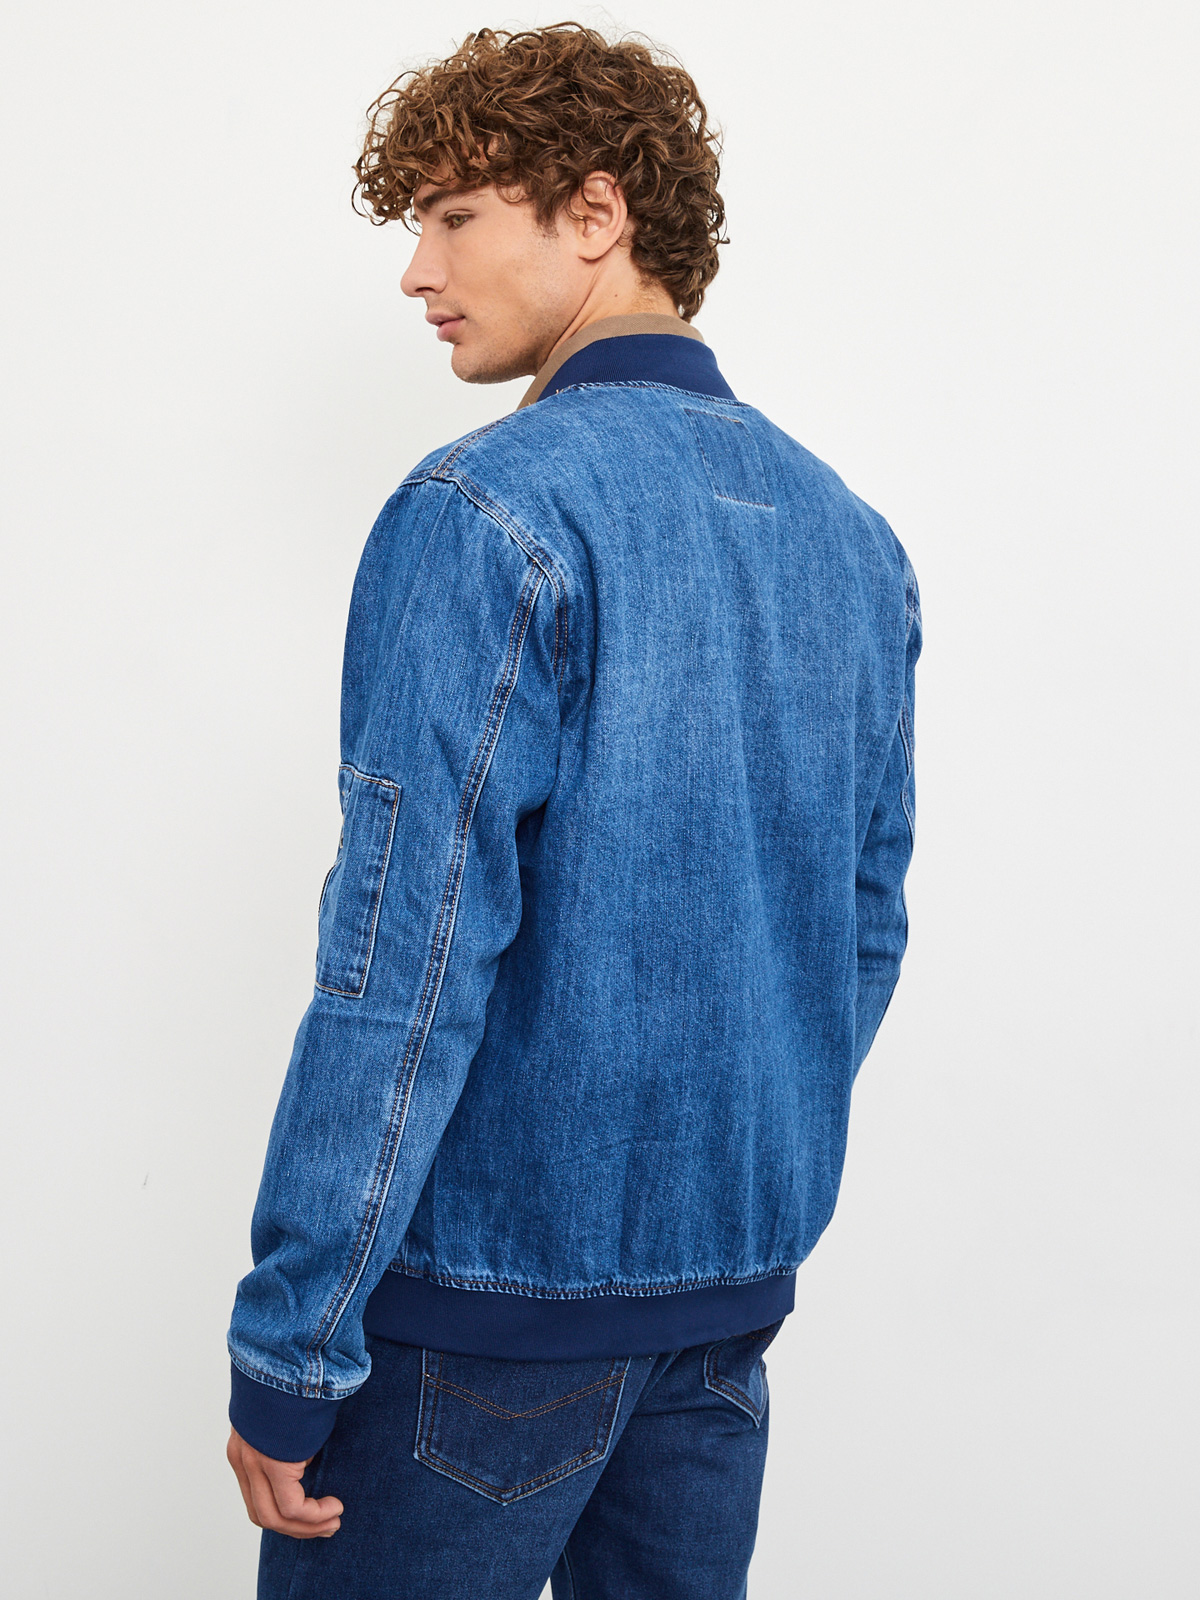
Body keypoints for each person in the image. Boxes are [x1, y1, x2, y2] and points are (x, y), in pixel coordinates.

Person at [225, 23, 920, 1599]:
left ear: (596, 213)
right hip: (721, 1319)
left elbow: (403, 962)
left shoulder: (484, 509)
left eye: (454, 216)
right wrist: (722, 1201)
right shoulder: (852, 540)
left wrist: (292, 1340)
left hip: (479, 1317)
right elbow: (859, 935)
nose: (418, 271)